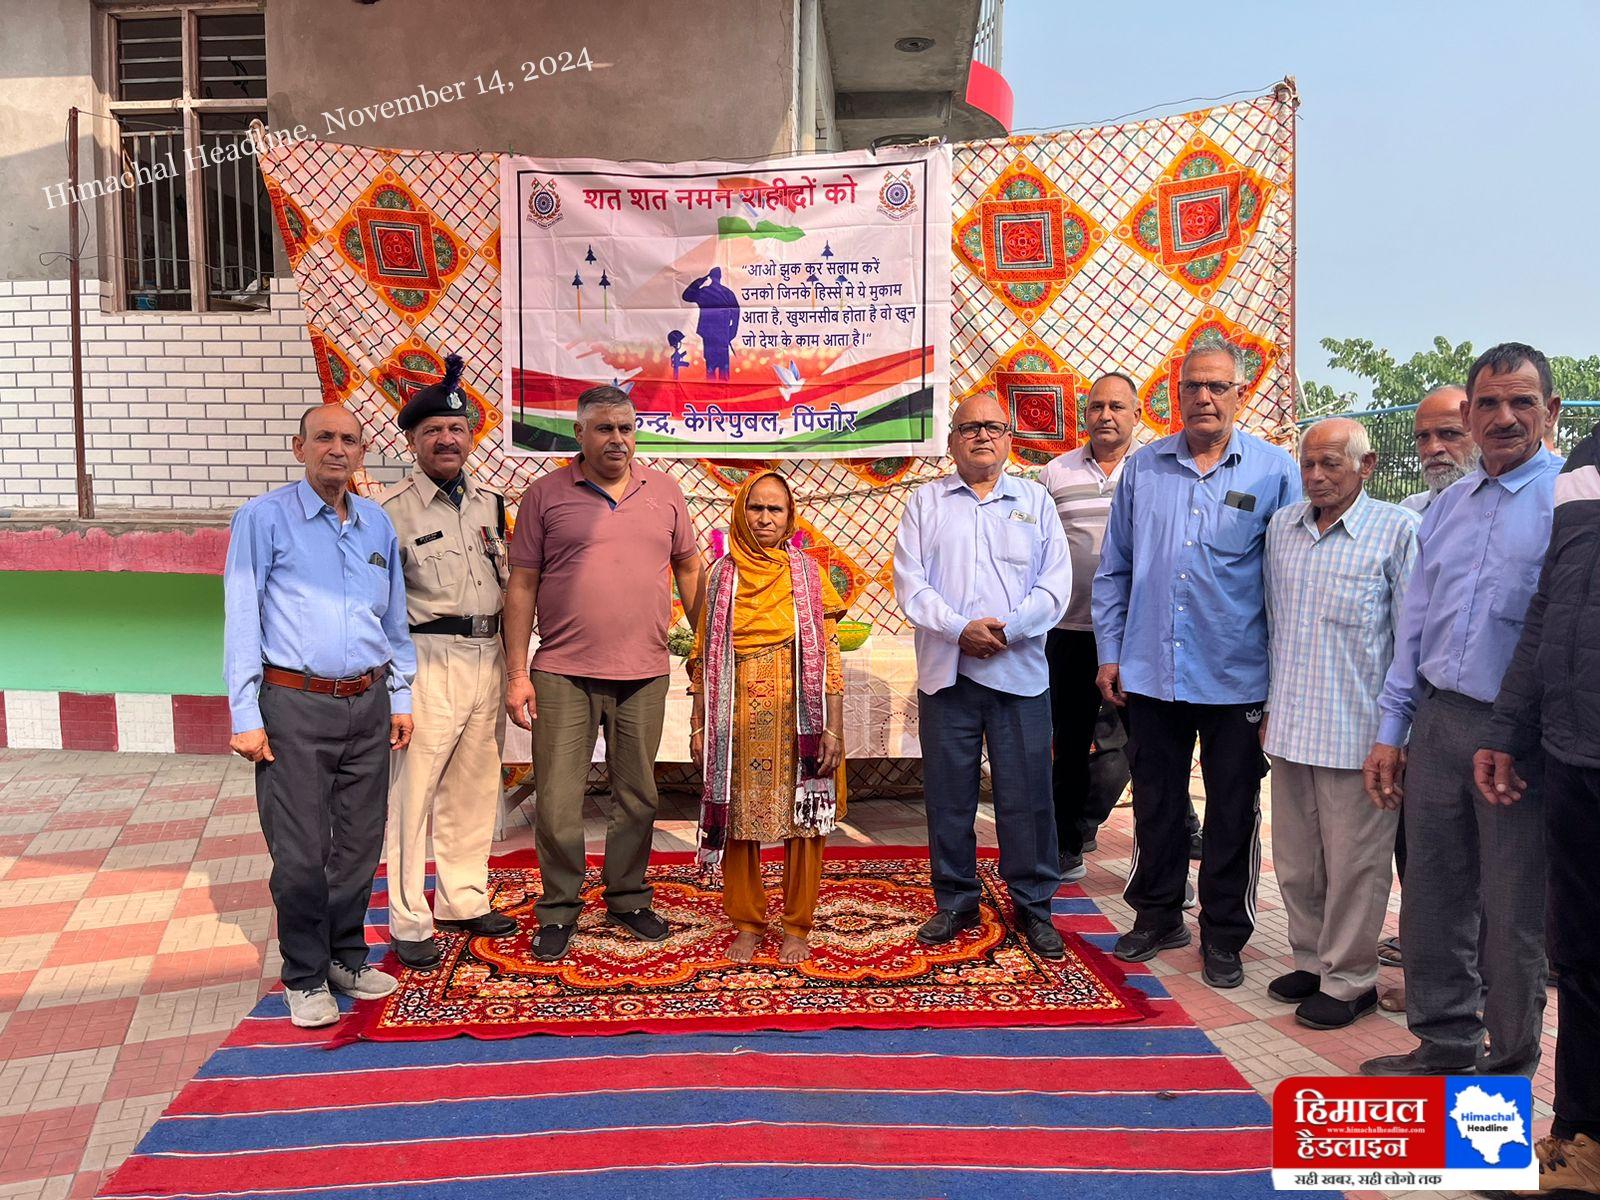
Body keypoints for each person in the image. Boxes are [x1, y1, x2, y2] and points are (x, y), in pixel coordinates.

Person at [1360, 342, 1562, 1077]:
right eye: (1489, 403)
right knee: (1434, 898)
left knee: (1509, 916)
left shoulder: (1568, 504)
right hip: (1439, 722)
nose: (1504, 417)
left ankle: (1505, 1074)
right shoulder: (1447, 506)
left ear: (1551, 412)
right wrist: (1393, 729)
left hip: (1516, 738)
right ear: (1471, 414)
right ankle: (1444, 1043)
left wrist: (1522, 731)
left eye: (1521, 402)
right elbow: (1415, 626)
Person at [1093, 342, 1299, 988]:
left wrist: (1284, 677)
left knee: (1233, 807)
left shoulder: (1274, 473)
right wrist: (1110, 652)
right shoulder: (1144, 470)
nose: (1204, 398)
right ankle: (1157, 915)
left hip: (1238, 674)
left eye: (1217, 387)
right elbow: (1115, 568)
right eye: (1193, 387)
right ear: (1175, 395)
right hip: (1154, 671)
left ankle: (1224, 935)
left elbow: (1288, 578)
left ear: (1240, 394)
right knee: (1155, 800)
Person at [223, 404, 416, 1027]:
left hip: (368, 702)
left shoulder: (375, 525)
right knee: (302, 849)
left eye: (350, 440)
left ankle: (344, 956)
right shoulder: (263, 520)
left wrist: (402, 696)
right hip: (293, 706)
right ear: (299, 445)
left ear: (362, 452)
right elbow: (241, 619)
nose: (338, 448)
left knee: (360, 845)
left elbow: (393, 621)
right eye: (325, 437)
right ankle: (304, 975)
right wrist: (244, 713)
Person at [504, 384, 705, 962]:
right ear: (579, 433)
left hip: (644, 670)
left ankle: (628, 897)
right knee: (560, 799)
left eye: (626, 428)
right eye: (604, 428)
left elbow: (690, 572)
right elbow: (521, 585)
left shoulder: (664, 492)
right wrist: (518, 673)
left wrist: (708, 647)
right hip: (562, 671)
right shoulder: (544, 496)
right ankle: (560, 907)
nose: (617, 439)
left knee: (638, 794)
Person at [892, 394, 1072, 959]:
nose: (981, 436)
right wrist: (958, 630)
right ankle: (956, 900)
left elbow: (1055, 585)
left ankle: (1033, 905)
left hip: (1019, 675)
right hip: (948, 675)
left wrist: (1008, 630)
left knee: (1027, 798)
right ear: (951, 441)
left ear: (1008, 439)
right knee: (949, 796)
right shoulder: (926, 502)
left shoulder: (1036, 501)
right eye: (968, 427)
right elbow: (910, 583)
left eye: (993, 427)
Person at [1262, 418, 1419, 1029]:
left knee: (1357, 865)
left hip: (1362, 734)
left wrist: (1395, 734)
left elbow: (1412, 639)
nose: (1317, 476)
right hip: (1293, 726)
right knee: (1299, 862)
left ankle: (1351, 979)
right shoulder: (1283, 528)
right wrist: (1270, 711)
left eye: (1331, 463)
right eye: (1308, 464)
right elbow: (1277, 627)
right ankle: (1312, 959)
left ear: (1368, 464)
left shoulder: (1397, 530)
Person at [1475, 423, 1599, 1193]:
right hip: (1575, 754)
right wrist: (1509, 729)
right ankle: (1581, 1144)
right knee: (1582, 960)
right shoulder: (1586, 463)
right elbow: (1550, 609)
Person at [380, 355, 517, 972]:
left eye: (456, 430)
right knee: (415, 792)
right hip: (427, 657)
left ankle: (462, 897)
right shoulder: (390, 512)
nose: (446, 439)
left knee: (474, 784)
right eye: (432, 430)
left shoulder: (493, 505)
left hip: (489, 655)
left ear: (470, 439)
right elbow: (379, 606)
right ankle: (409, 916)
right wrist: (396, 685)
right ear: (412, 441)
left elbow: (511, 583)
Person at [688, 470, 846, 965]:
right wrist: (699, 725)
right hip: (736, 718)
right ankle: (748, 922)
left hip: (798, 715)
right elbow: (701, 657)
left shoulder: (808, 574)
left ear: (789, 518)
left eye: (775, 509)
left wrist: (833, 729)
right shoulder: (720, 575)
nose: (764, 518)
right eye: (756, 507)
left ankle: (798, 923)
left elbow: (831, 656)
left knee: (806, 821)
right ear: (740, 512)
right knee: (738, 819)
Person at [1383, 383, 1476, 977]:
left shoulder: (1546, 501)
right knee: (1421, 848)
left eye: (1449, 433)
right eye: (1424, 436)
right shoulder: (1413, 514)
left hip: (1492, 713)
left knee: (1491, 862)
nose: (1435, 447)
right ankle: (1427, 961)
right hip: (1418, 709)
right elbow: (1407, 626)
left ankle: (1489, 982)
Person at [1038, 372, 1136, 883]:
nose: (1105, 415)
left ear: (1136, 415)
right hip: (1070, 629)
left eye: (1117, 406)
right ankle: (1066, 843)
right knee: (1070, 739)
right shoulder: (1056, 474)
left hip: (1136, 631)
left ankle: (1149, 846)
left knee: (1134, 743)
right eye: (1096, 406)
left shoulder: (1152, 471)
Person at [1400, 384, 1476, 515]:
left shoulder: (1510, 511)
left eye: (1449, 434)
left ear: (1481, 436)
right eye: (1422, 436)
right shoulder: (1408, 512)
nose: (1432, 449)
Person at [682, 267, 740, 380]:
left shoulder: (704, 292)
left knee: (711, 367)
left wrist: (701, 280)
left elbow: (687, 295)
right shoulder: (727, 293)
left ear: (711, 277)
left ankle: (712, 390)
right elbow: (736, 314)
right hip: (721, 334)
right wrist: (732, 332)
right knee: (722, 367)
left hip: (711, 334)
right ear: (720, 277)